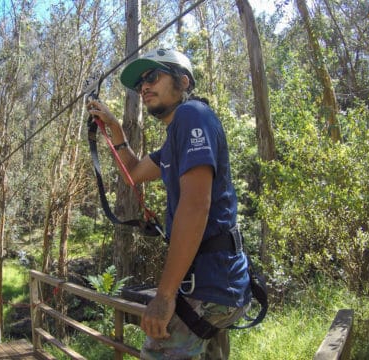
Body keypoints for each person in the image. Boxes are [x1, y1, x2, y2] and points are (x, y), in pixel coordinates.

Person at [87, 48, 252, 359]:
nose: (144, 86)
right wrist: (116, 131)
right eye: (139, 84)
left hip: (208, 285)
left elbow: (195, 206)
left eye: (153, 76)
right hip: (222, 283)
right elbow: (134, 173)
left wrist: (164, 297)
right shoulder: (175, 137)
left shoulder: (192, 116)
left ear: (184, 81)